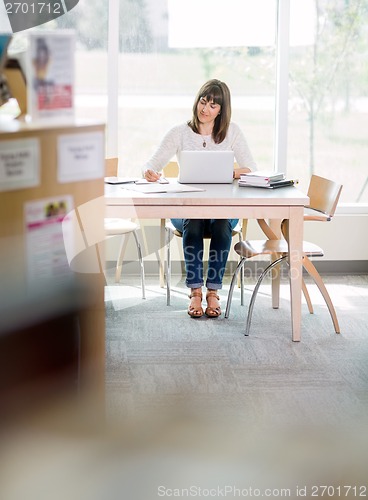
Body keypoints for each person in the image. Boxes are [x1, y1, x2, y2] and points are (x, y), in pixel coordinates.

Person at [143, 79, 256, 318]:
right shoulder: (179, 133)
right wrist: (149, 172)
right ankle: (195, 290)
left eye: (213, 105)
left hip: (221, 211)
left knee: (222, 224)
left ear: (221, 111)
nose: (205, 109)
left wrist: (228, 172)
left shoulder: (232, 132)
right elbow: (151, 164)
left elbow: (251, 169)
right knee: (192, 222)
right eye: (203, 102)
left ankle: (213, 291)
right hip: (187, 210)